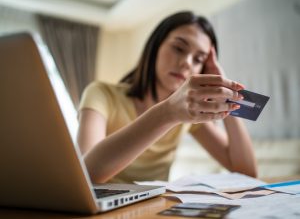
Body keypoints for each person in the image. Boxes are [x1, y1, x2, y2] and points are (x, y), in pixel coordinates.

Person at [77, 11, 257, 184]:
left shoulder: (188, 115)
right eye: (179, 48)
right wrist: (167, 113)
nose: (187, 62)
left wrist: (227, 94)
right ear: (155, 47)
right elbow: (85, 174)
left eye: (198, 59)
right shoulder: (101, 94)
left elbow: (247, 173)